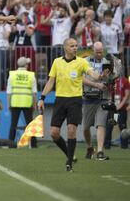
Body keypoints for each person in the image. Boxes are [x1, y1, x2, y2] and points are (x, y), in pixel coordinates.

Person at [38, 38, 109, 172]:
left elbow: (91, 73)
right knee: (54, 133)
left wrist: (99, 76)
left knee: (71, 131)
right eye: (72, 46)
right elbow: (50, 82)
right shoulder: (57, 62)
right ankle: (70, 154)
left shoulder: (81, 62)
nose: (75, 48)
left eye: (76, 46)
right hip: (60, 100)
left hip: (75, 101)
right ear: (65, 48)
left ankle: (69, 163)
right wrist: (42, 98)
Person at [82, 42, 114, 160]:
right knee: (86, 127)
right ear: (92, 50)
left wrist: (111, 81)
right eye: (97, 52)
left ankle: (100, 151)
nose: (99, 54)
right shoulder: (84, 61)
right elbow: (81, 78)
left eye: (101, 52)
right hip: (88, 97)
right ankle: (90, 147)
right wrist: (96, 84)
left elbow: (112, 78)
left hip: (103, 97)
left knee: (101, 124)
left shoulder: (107, 62)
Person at [7, 57, 37, 148]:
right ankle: (34, 145)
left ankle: (11, 144)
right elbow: (34, 92)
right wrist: (34, 104)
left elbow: (9, 92)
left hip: (15, 102)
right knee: (30, 125)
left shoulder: (12, 75)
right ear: (26, 65)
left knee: (13, 124)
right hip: (27, 103)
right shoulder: (31, 75)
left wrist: (9, 104)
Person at [104, 74, 130, 149]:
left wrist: (121, 105)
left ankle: (124, 146)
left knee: (122, 127)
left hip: (121, 108)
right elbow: (108, 93)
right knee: (109, 126)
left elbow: (127, 94)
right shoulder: (111, 80)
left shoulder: (125, 80)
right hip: (112, 108)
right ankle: (107, 146)